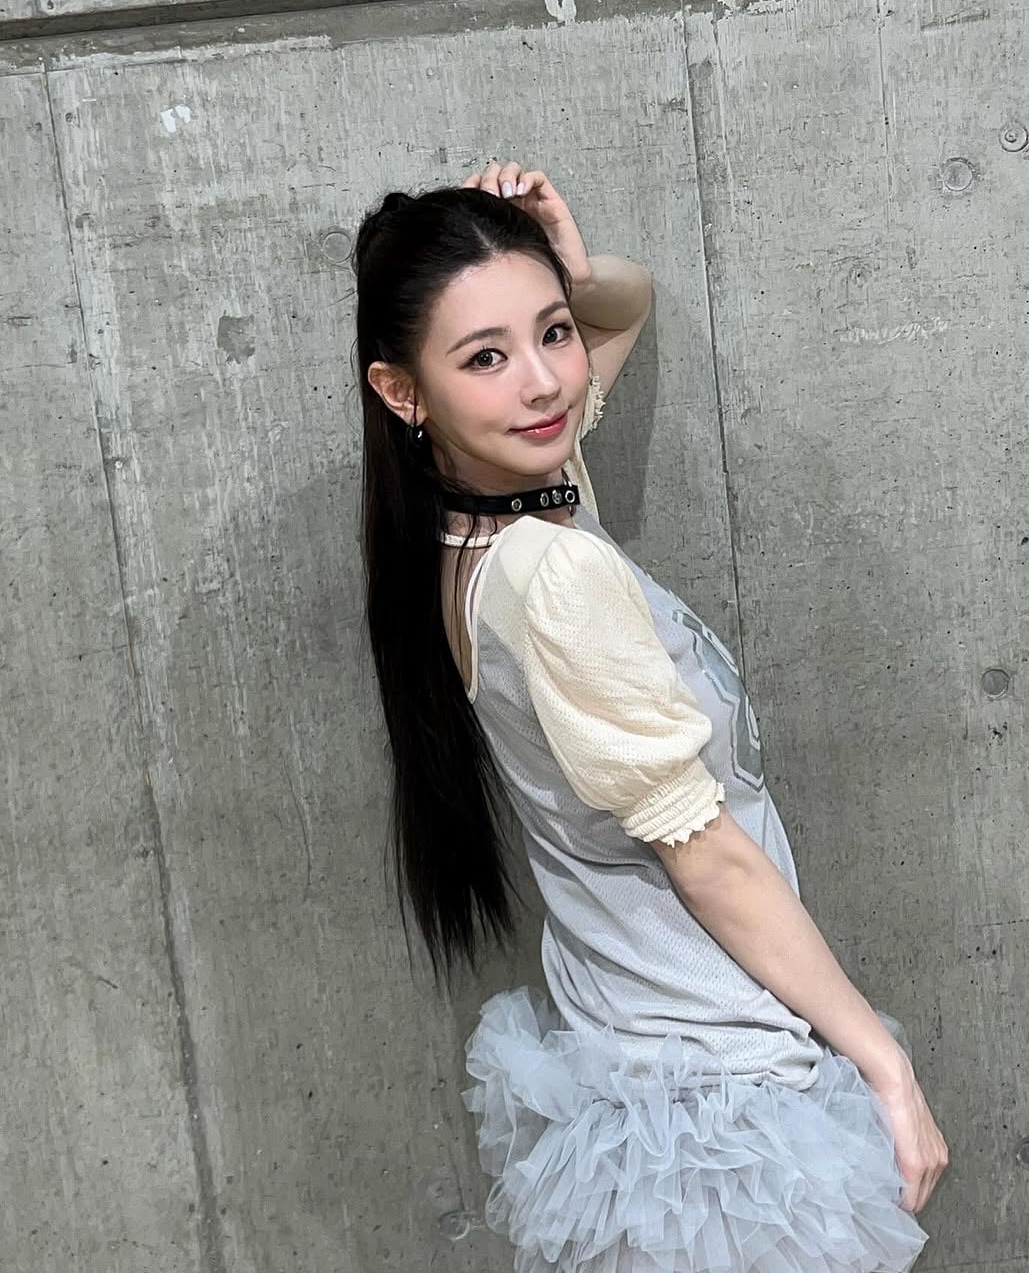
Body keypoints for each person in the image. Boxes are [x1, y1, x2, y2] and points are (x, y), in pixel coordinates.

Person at [356, 157, 948, 1272]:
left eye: (552, 334)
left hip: (635, 1055)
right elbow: (705, 855)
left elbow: (625, 302)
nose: (545, 383)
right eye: (485, 357)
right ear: (403, 391)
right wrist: (885, 1064)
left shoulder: (488, 521)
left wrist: (564, 267)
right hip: (717, 1086)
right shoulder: (554, 572)